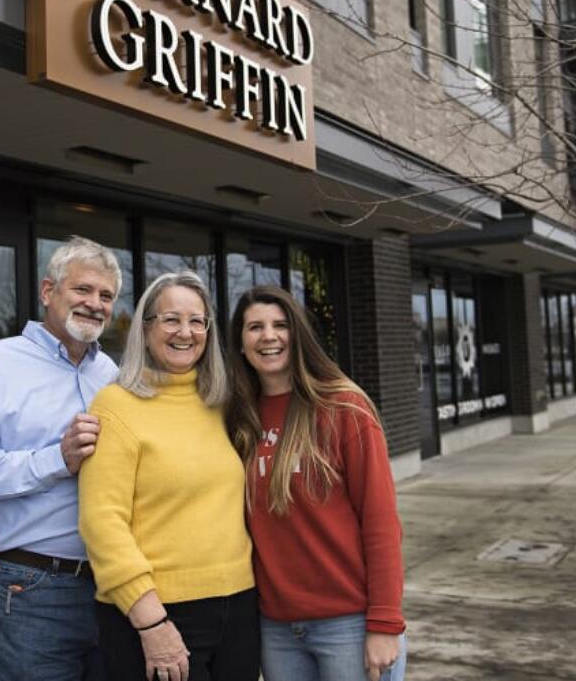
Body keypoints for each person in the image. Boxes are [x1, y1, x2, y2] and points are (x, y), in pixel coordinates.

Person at [0, 235, 122, 681]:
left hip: (107, 586)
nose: (94, 303)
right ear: (47, 292)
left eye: (106, 295)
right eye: (82, 289)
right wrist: (56, 458)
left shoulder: (110, 374)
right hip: (25, 587)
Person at [78, 271, 258, 681]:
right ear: (145, 328)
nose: (185, 332)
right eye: (171, 319)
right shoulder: (115, 404)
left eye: (197, 321)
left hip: (239, 606)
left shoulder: (220, 400)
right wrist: (151, 622)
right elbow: (102, 523)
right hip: (159, 612)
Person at [226, 285, 406, 681]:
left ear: (298, 335)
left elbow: (380, 523)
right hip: (276, 628)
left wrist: (385, 623)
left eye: (280, 325)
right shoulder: (240, 419)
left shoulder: (343, 408)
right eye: (254, 327)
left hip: (349, 623)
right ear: (240, 343)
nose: (268, 336)